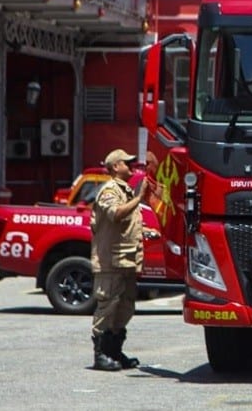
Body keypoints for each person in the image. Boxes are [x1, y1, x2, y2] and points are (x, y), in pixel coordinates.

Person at [90, 148, 148, 371]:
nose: (131, 166)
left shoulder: (126, 190)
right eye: (127, 162)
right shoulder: (109, 191)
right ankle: (101, 354)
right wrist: (140, 198)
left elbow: (128, 224)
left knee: (125, 306)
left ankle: (114, 351)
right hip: (111, 262)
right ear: (115, 166)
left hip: (127, 260)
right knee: (107, 305)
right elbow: (115, 214)